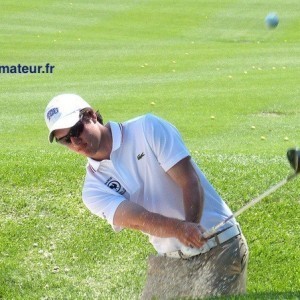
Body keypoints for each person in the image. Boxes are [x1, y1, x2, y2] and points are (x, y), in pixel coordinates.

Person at [44, 94, 249, 299]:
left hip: (219, 246)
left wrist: (191, 225)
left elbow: (189, 180)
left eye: (76, 130)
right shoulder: (93, 188)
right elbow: (138, 220)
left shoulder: (147, 128)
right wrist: (181, 230)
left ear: (90, 115)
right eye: (65, 140)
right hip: (170, 260)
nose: (75, 142)